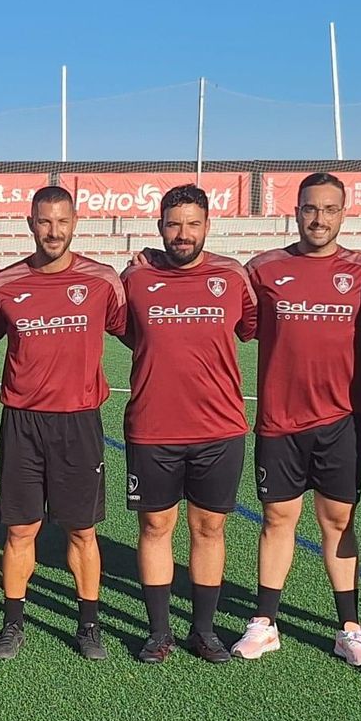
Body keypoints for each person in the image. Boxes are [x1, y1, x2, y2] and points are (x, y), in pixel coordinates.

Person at [234, 173, 361, 666]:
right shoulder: (262, 270)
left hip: (343, 418)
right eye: (310, 209)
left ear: (344, 213)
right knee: (278, 518)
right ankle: (265, 621)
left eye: (330, 209)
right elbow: (227, 313)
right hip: (279, 419)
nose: (319, 218)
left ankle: (349, 627)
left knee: (338, 520)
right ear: (295, 211)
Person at [0, 186, 126, 660]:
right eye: (45, 221)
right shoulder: (4, 285)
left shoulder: (102, 281)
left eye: (62, 221)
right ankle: (13, 622)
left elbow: (140, 334)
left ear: (75, 222)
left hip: (79, 423)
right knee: (21, 530)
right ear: (30, 223)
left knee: (82, 530)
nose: (54, 231)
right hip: (22, 423)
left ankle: (88, 624)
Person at [120, 184, 257, 664]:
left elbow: (252, 327)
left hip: (219, 428)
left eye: (192, 224)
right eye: (174, 224)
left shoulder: (233, 277)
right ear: (160, 227)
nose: (183, 234)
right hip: (153, 427)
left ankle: (204, 631)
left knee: (209, 528)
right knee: (156, 525)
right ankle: (159, 633)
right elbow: (128, 333)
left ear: (207, 226)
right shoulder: (134, 279)